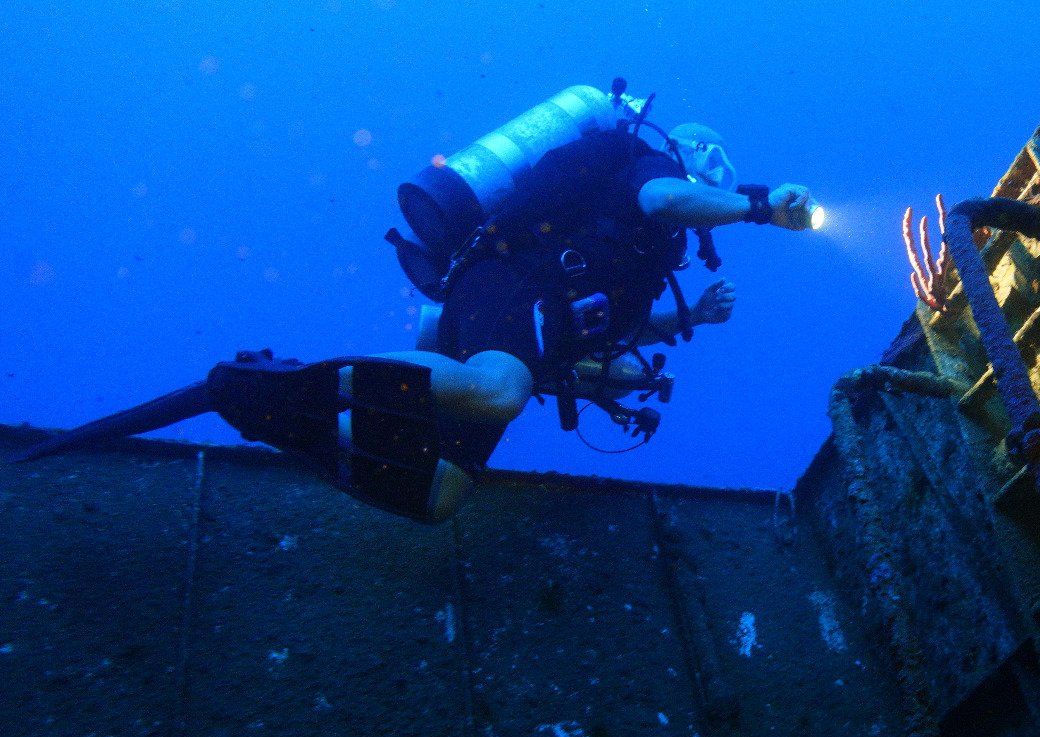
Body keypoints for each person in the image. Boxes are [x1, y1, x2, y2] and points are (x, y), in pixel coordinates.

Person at [14, 91, 815, 524]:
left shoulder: (647, 260)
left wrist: (691, 319)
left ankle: (283, 413)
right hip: (507, 287)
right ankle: (290, 378)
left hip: (528, 331)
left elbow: (611, 325)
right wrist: (756, 205)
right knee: (498, 387)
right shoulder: (647, 163)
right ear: (702, 157)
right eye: (716, 169)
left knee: (439, 498)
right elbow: (669, 194)